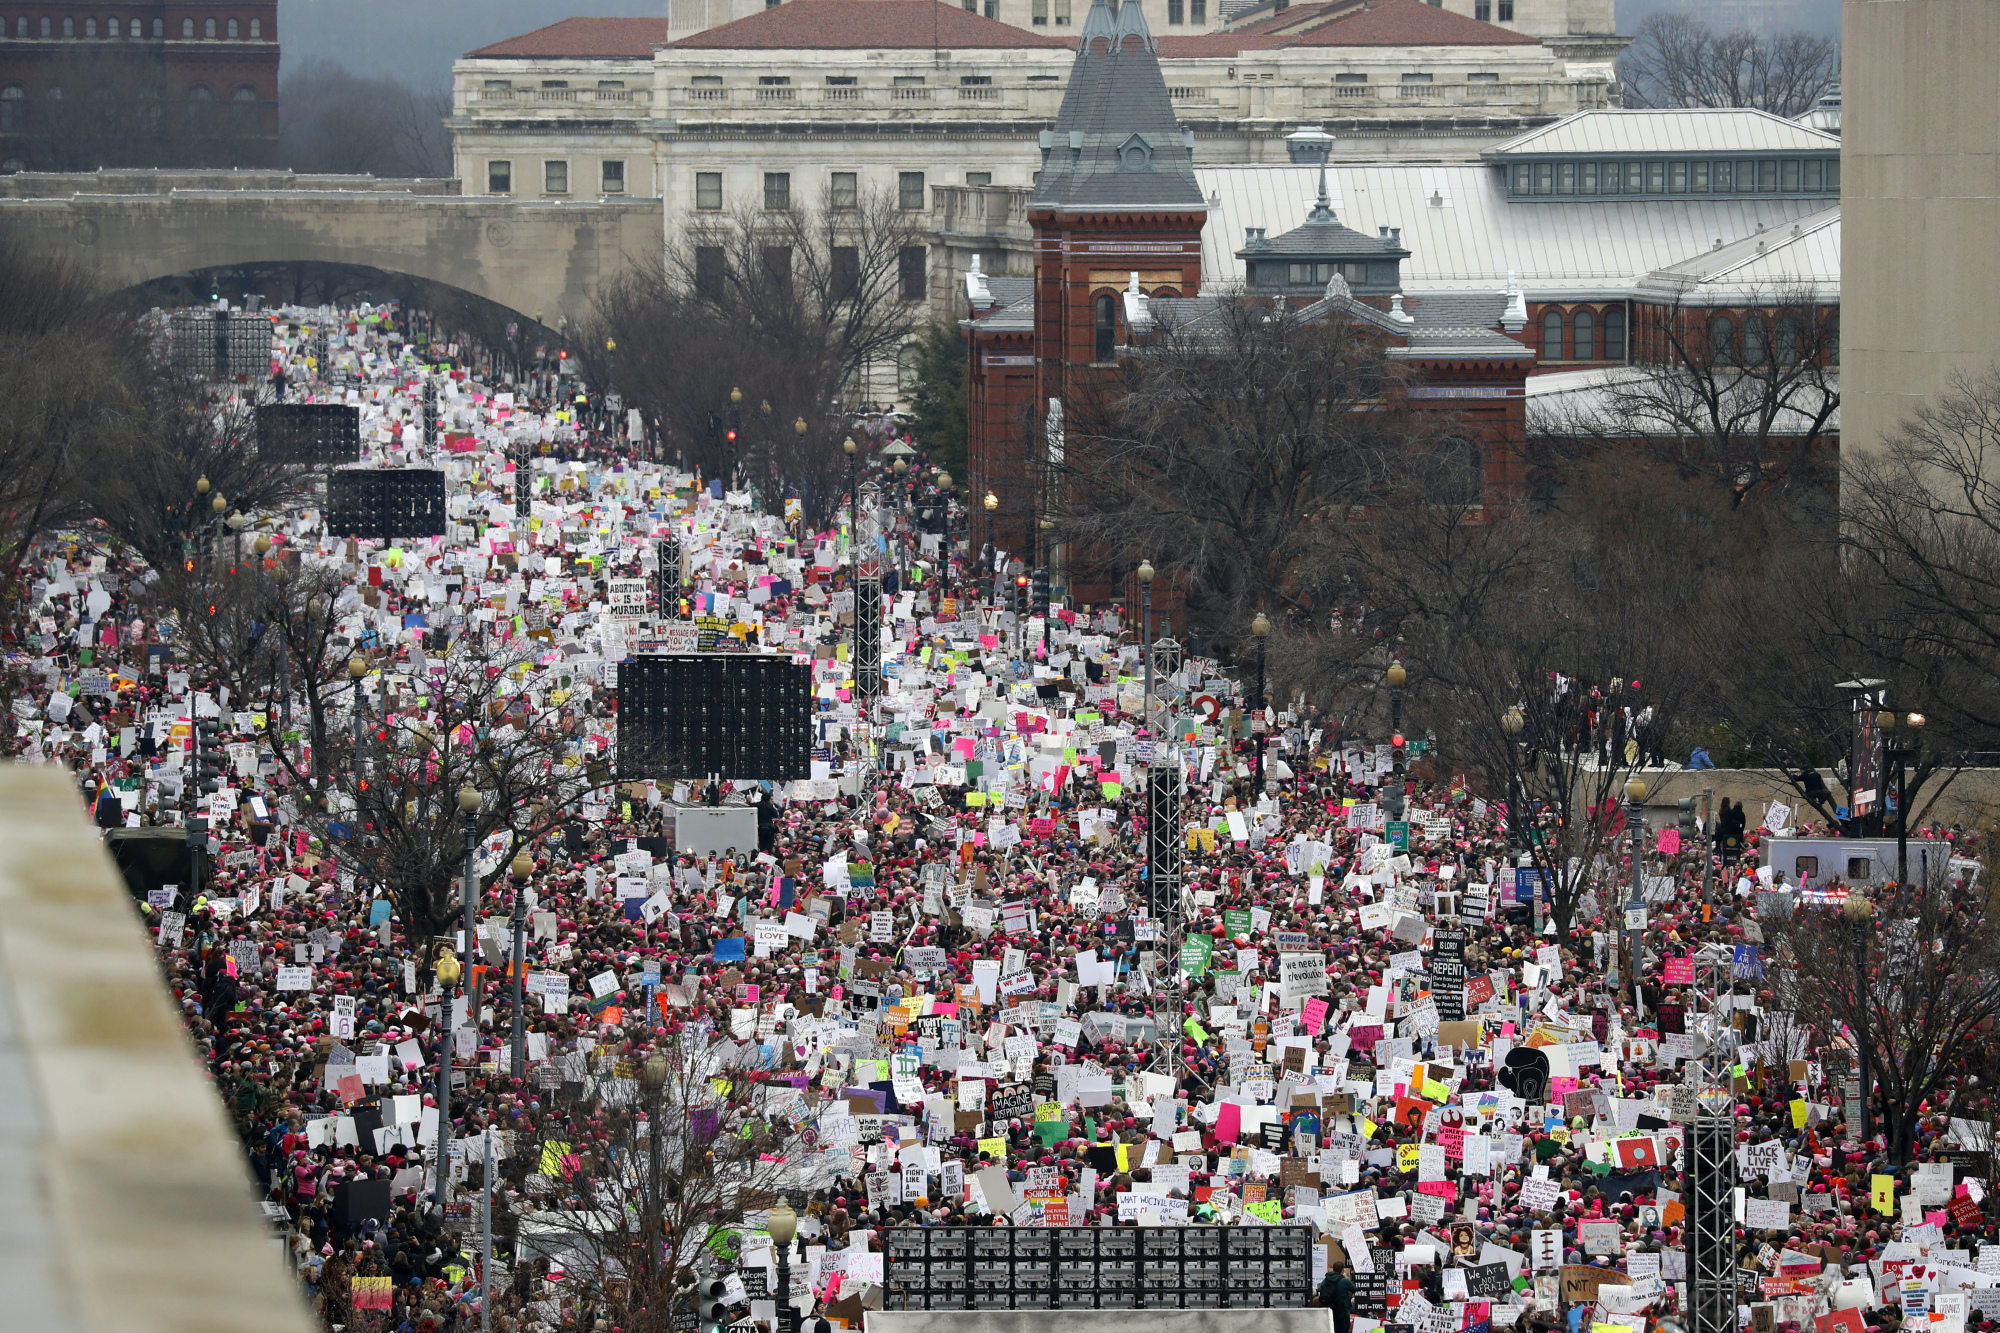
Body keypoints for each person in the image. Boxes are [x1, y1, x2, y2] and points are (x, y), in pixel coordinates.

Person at [1319, 1263, 1355, 1333]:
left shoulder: (1326, 1280)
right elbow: (1355, 1289)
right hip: (1342, 1310)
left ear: (1334, 1269)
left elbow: (1321, 1290)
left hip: (1329, 1310)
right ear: (1342, 1270)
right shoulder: (1344, 1281)